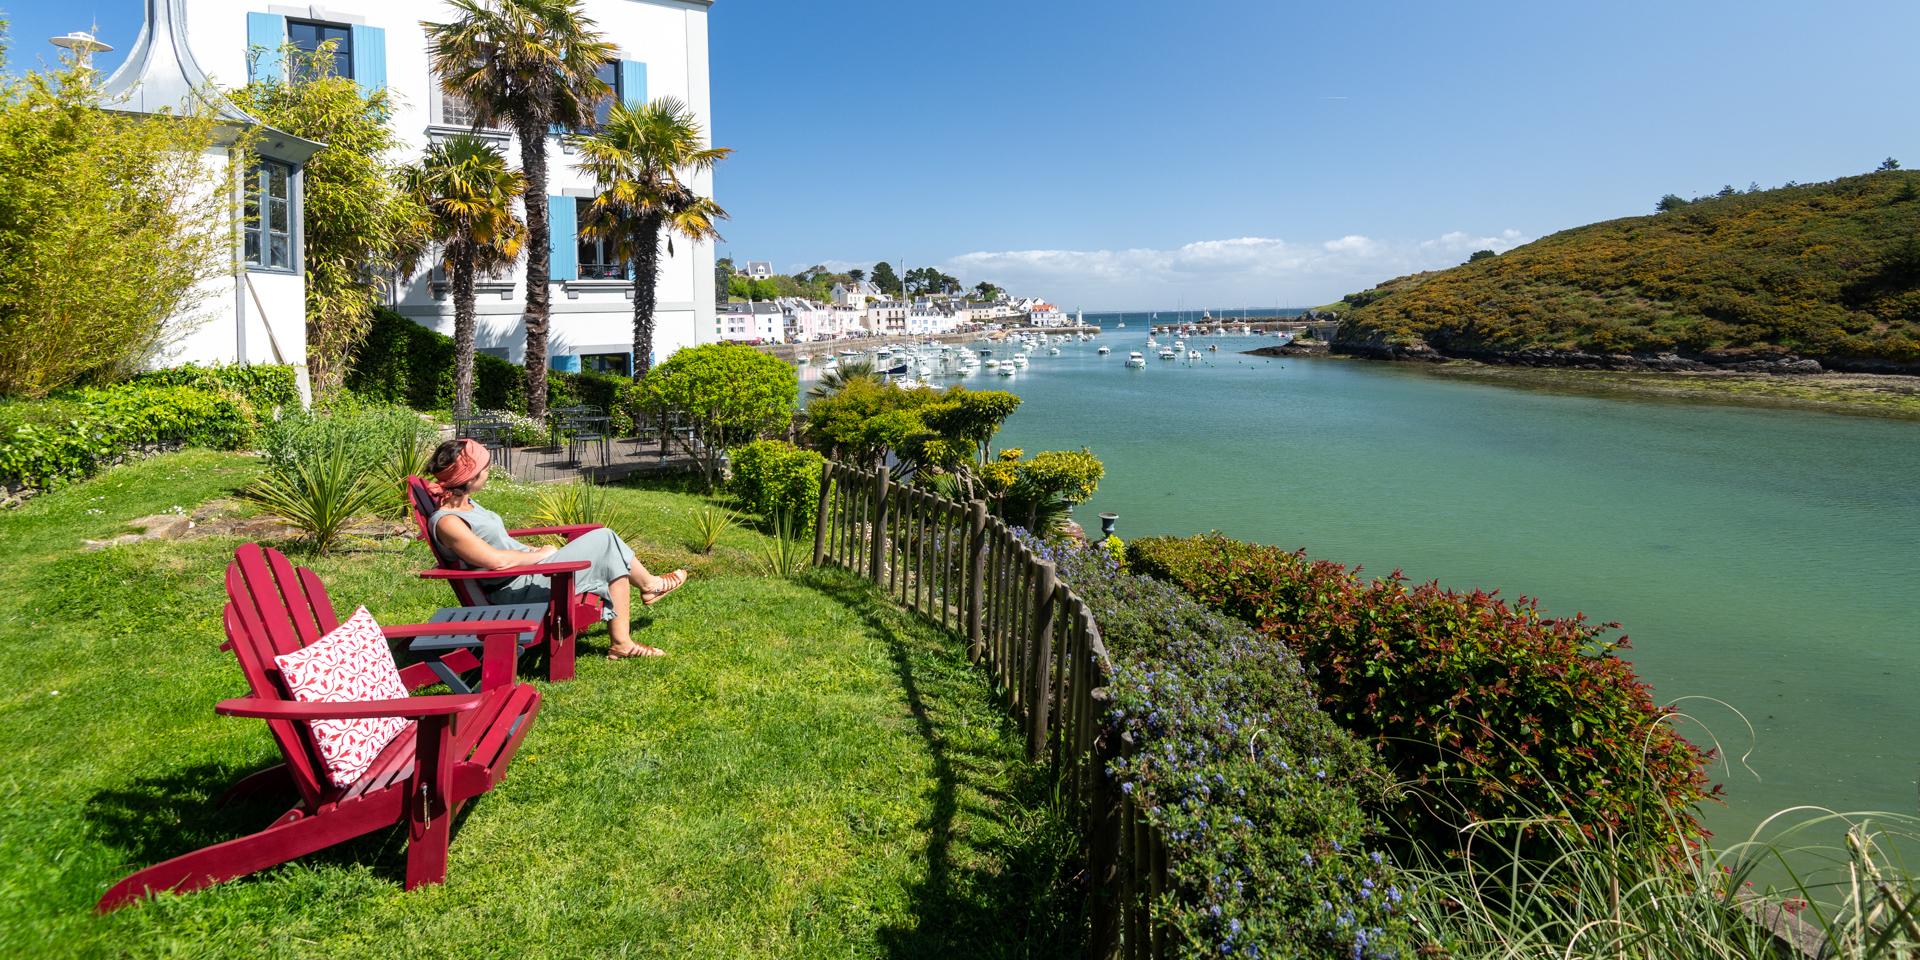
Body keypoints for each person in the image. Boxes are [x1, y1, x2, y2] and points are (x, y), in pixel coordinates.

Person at [423, 438, 687, 659]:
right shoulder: (449, 522)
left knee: (608, 550)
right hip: (514, 592)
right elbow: (495, 561)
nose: (488, 472)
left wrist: (530, 549)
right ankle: (649, 590)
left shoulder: (466, 504)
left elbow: (497, 543)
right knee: (604, 538)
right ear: (469, 477)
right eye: (484, 469)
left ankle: (625, 638)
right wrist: (539, 555)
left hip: (526, 573)